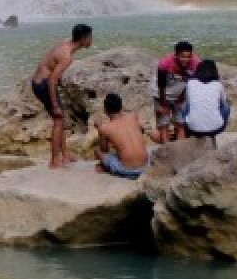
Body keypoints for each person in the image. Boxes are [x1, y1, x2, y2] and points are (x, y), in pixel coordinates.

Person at [31, 23, 94, 168]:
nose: (91, 40)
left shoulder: (66, 42)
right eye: (90, 37)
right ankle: (54, 161)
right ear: (83, 39)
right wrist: (54, 105)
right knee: (58, 119)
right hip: (43, 85)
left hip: (40, 81)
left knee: (61, 119)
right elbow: (52, 81)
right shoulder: (66, 57)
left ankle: (64, 155)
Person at [151, 40, 200, 143]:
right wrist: (163, 104)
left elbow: (191, 83)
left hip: (179, 93)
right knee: (164, 124)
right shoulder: (165, 63)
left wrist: (181, 97)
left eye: (188, 56)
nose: (185, 59)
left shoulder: (195, 63)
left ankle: (180, 149)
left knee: (181, 123)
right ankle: (165, 147)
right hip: (161, 93)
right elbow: (161, 85)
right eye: (182, 56)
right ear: (176, 55)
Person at [94, 93, 151, 179]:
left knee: (97, 152)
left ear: (105, 110)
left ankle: (107, 168)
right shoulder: (133, 116)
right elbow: (140, 131)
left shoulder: (104, 128)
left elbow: (104, 150)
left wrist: (99, 129)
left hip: (127, 170)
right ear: (121, 106)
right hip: (146, 166)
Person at [183, 60, 230, 142]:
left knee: (186, 107)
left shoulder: (190, 83)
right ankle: (214, 135)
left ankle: (188, 132)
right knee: (226, 108)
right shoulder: (218, 84)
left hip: (193, 129)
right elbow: (224, 104)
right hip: (216, 129)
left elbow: (187, 102)